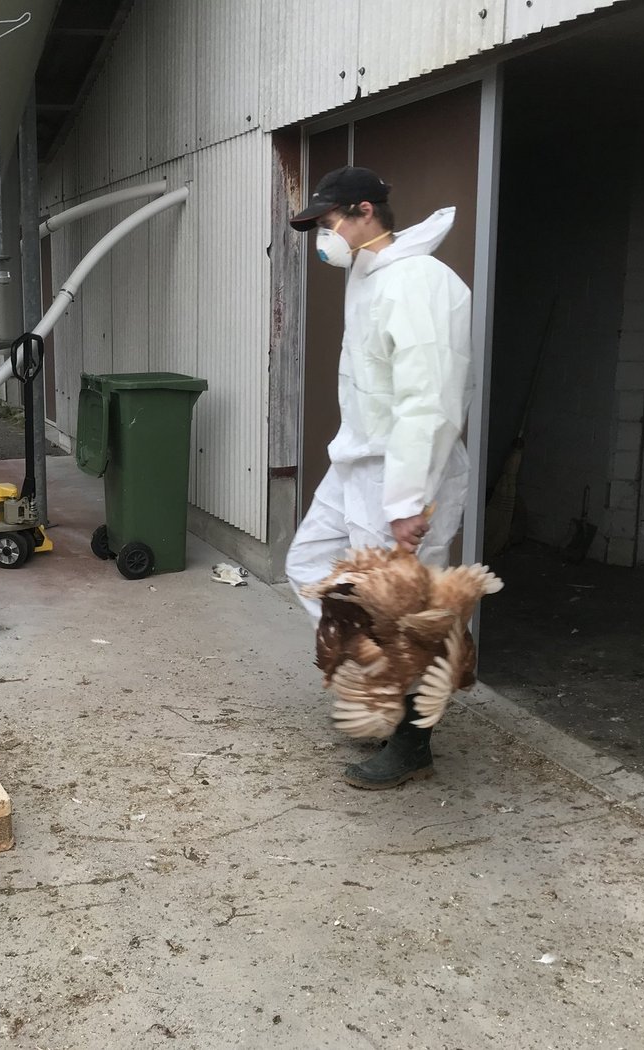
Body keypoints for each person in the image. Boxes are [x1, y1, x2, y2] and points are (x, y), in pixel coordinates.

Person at [284, 165, 473, 790]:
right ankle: (374, 677)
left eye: (331, 221)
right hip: (357, 464)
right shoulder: (370, 276)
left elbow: (429, 401)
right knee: (310, 565)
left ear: (366, 211)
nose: (324, 235)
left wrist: (407, 501)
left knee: (403, 615)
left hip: (404, 474)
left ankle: (413, 739)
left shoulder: (419, 281)